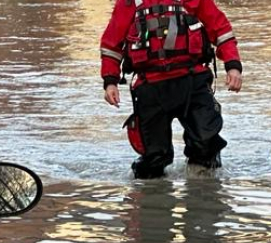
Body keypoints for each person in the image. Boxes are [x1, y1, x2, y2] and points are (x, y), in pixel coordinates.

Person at [100, 0, 243, 179]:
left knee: (206, 143)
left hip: (193, 82)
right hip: (150, 87)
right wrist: (110, 81)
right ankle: (151, 197)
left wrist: (233, 66)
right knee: (153, 159)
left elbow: (220, 29)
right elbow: (111, 44)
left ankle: (204, 190)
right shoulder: (128, 4)